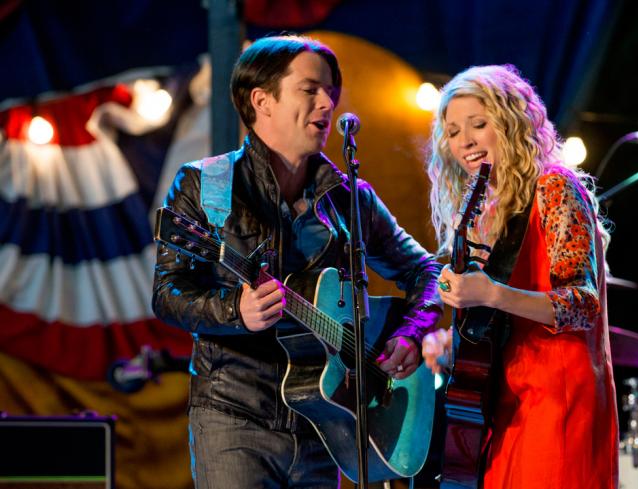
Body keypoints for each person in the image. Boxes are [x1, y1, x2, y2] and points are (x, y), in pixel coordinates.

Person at [152, 35, 442, 488]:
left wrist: (409, 332)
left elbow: (427, 271)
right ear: (262, 101)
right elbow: (168, 294)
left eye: (331, 91)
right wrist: (235, 311)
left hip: (326, 423)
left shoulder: (350, 198)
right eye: (310, 89)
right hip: (235, 416)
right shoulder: (206, 184)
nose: (328, 103)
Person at [421, 65, 618, 489]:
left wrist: (491, 293)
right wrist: (452, 341)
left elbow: (582, 304)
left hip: (559, 400)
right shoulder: (488, 212)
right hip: (506, 403)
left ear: (511, 124)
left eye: (478, 124)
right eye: (453, 132)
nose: (465, 141)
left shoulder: (555, 187)